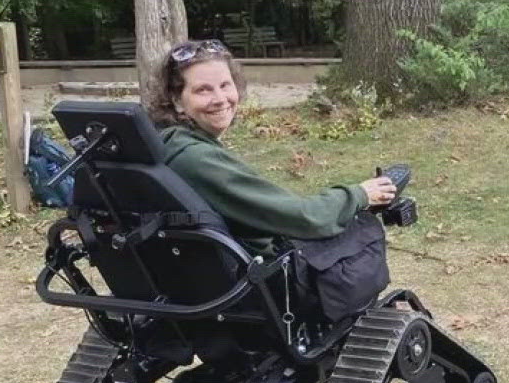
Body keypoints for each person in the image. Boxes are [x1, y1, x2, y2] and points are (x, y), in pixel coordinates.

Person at [147, 40, 396, 251]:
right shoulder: (195, 159)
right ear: (177, 100)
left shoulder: (163, 146)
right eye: (203, 90)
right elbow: (307, 217)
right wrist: (360, 194)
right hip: (261, 286)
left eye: (225, 85)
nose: (220, 99)